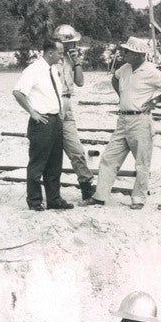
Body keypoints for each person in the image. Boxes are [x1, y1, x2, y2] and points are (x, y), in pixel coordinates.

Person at [85, 37, 161, 210]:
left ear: (137, 54)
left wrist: (154, 102)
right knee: (109, 158)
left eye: (127, 51)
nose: (124, 53)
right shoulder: (125, 68)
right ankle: (100, 196)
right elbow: (115, 78)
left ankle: (138, 199)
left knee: (142, 162)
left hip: (140, 121)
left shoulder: (150, 71)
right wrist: (121, 96)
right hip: (123, 120)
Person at [12, 45, 74, 211]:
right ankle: (34, 201)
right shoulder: (33, 69)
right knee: (37, 164)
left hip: (55, 120)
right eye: (60, 53)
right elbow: (18, 92)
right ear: (50, 52)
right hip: (42, 122)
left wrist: (59, 113)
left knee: (55, 165)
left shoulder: (53, 69)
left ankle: (54, 199)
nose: (62, 56)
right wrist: (32, 112)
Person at [53, 24, 96, 201]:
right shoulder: (51, 60)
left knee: (75, 149)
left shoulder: (72, 60)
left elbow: (80, 82)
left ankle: (86, 186)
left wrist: (77, 62)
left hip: (67, 103)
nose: (74, 46)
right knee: (51, 152)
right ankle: (51, 192)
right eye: (71, 43)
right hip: (52, 103)